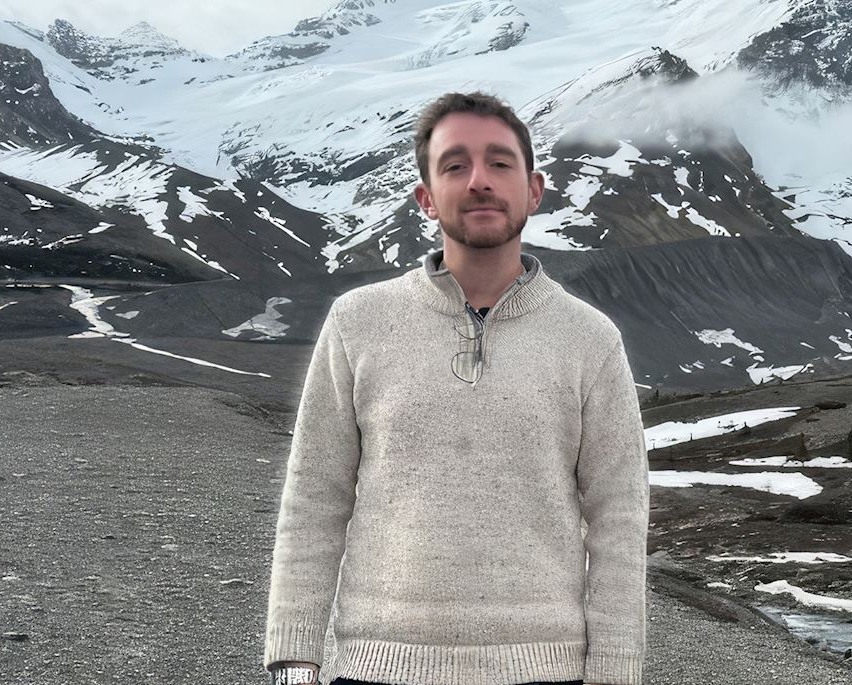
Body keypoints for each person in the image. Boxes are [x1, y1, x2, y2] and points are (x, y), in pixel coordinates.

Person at [260, 92, 649, 685]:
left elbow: (619, 519)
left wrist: (616, 671)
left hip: (546, 669)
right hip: (375, 667)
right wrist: (293, 658)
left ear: (534, 189)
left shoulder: (591, 339)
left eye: (499, 163)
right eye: (454, 165)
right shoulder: (357, 321)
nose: (478, 182)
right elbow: (315, 495)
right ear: (426, 198)